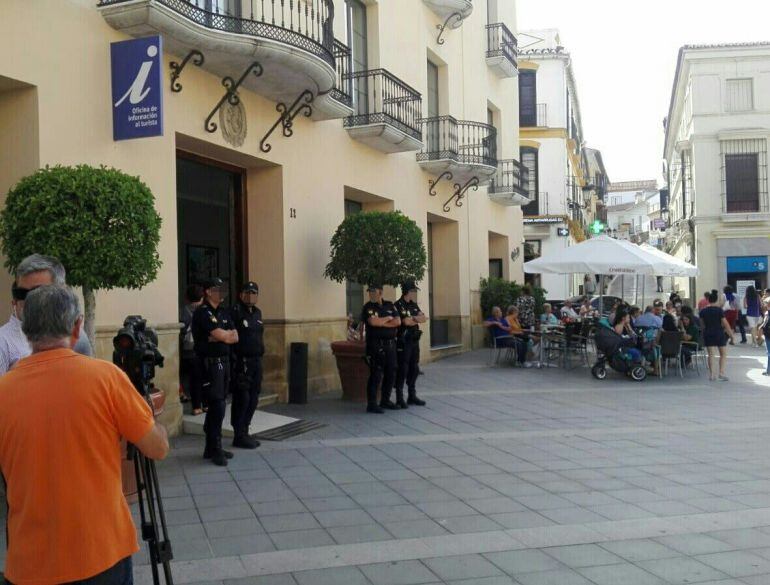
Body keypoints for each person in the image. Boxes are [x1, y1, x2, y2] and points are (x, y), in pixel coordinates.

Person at [0, 284, 168, 585]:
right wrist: (152, 415)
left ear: (26, 328)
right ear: (77, 325)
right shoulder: (105, 378)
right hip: (100, 553)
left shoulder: (3, 391)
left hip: (29, 561)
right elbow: (157, 447)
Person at [0, 254, 93, 375]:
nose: (29, 300)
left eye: (38, 293)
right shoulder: (3, 342)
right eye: (22, 293)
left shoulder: (77, 335)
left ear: (61, 292)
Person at [192, 277, 239, 466]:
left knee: (219, 404)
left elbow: (234, 336)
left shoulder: (224, 312)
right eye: (217, 289)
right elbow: (221, 335)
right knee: (217, 405)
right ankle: (215, 447)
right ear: (208, 292)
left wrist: (222, 336)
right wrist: (221, 336)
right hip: (210, 364)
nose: (221, 292)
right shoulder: (203, 312)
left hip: (224, 362)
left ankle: (211, 447)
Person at [229, 281, 264, 449]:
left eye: (254, 293)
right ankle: (238, 434)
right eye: (247, 292)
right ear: (241, 294)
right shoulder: (235, 312)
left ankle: (245, 429)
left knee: (254, 397)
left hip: (256, 361)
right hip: (242, 362)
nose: (251, 296)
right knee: (243, 398)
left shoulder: (257, 313)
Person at [361, 284, 401, 413]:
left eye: (374, 291)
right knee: (376, 374)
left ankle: (385, 400)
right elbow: (373, 322)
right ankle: (372, 404)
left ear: (380, 292)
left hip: (390, 345)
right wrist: (388, 319)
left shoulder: (390, 305)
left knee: (391, 373)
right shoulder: (368, 307)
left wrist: (382, 322)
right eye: (370, 292)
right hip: (375, 346)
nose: (371, 294)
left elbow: (398, 322)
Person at [394, 281, 427, 408]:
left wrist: (413, 319)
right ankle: (399, 397)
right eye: (413, 290)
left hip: (414, 341)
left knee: (414, 368)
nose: (414, 293)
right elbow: (405, 322)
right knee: (403, 368)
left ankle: (411, 395)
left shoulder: (413, 304)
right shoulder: (398, 305)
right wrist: (415, 319)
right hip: (404, 341)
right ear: (408, 291)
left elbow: (423, 318)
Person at [180, 283, 205, 415]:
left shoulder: (183, 311)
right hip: (200, 348)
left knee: (192, 378)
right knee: (202, 378)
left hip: (186, 349)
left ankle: (196, 406)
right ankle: (203, 404)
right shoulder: (204, 310)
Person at [700, 289, 734, 381]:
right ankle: (721, 373)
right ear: (716, 300)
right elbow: (725, 324)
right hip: (718, 333)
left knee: (711, 354)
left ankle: (711, 375)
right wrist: (731, 335)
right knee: (723, 354)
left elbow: (702, 325)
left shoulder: (703, 311)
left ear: (708, 300)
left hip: (708, 333)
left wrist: (703, 334)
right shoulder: (719, 311)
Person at [760, 298, 770, 376]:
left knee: (769, 353)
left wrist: (761, 327)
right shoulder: (767, 313)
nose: (765, 305)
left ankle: (768, 371)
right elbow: (764, 323)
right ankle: (768, 370)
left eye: (766, 303)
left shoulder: (767, 313)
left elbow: (765, 324)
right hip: (767, 334)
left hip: (768, 335)